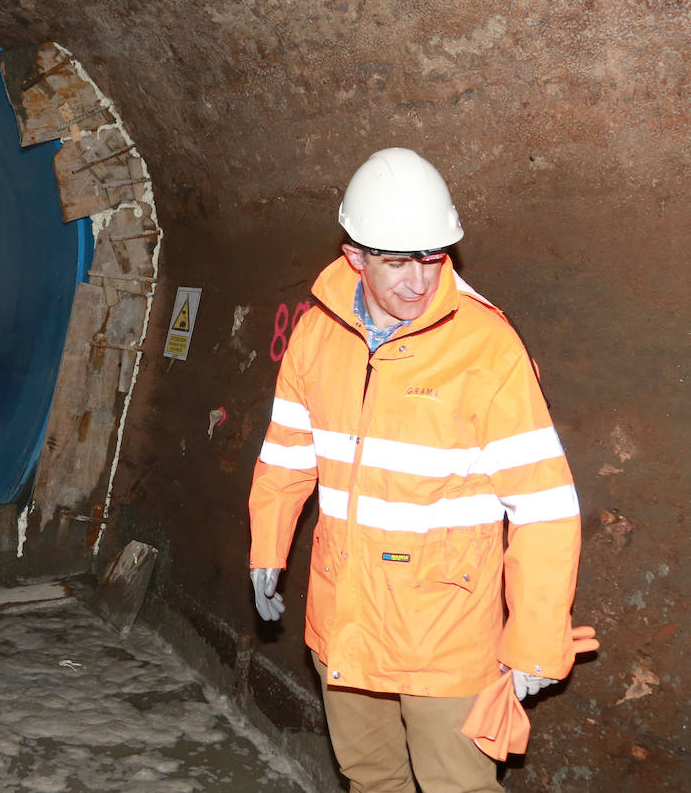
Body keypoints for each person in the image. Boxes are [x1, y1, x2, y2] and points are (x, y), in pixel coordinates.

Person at [248, 148, 582, 792]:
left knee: (457, 785)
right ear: (355, 257)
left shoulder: (487, 346)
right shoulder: (316, 337)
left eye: (431, 258)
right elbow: (286, 454)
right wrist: (268, 546)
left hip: (444, 632)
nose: (419, 281)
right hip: (344, 615)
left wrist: (536, 638)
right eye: (398, 262)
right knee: (370, 776)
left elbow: (543, 505)